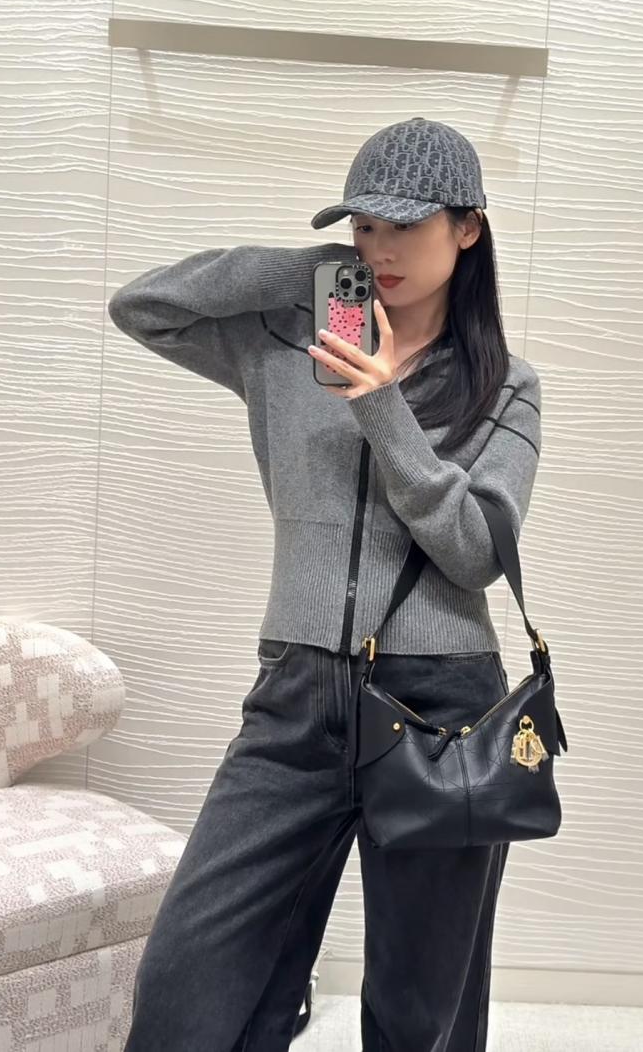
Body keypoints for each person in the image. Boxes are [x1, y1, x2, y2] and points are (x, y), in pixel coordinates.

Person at [109, 116, 543, 1051]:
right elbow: (143, 306)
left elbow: (475, 553)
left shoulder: (506, 386)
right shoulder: (284, 344)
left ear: (468, 228)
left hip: (442, 710)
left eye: (404, 226)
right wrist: (305, 271)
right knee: (188, 984)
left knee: (422, 1013)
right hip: (296, 700)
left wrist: (383, 406)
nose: (378, 249)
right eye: (362, 227)